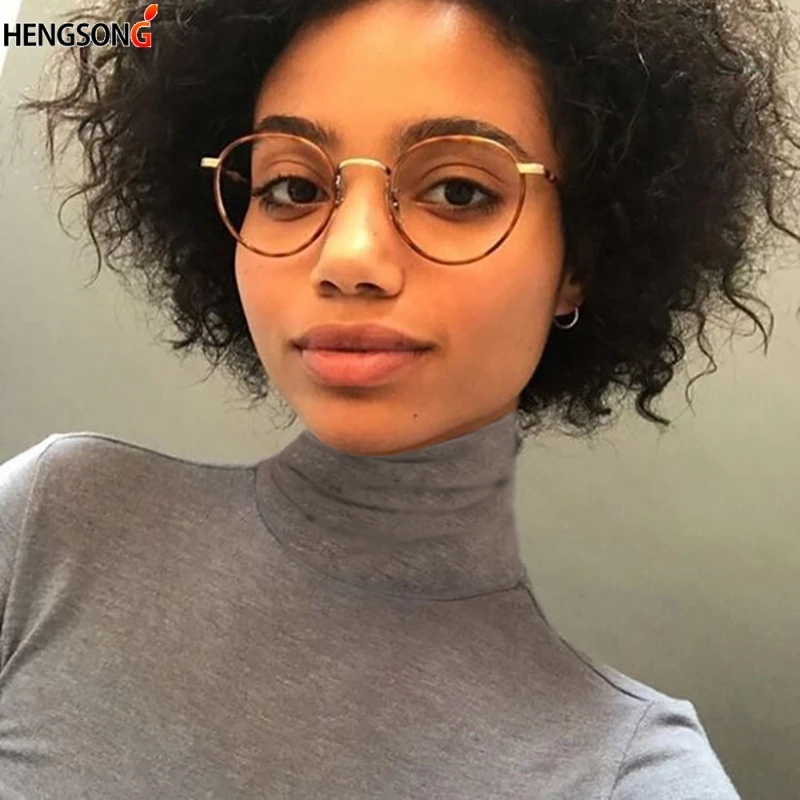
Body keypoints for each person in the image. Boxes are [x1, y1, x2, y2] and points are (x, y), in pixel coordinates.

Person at [2, 0, 798, 796]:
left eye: (456, 191)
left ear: (578, 260)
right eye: (292, 186)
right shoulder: (55, 530)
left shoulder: (627, 775)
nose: (349, 257)